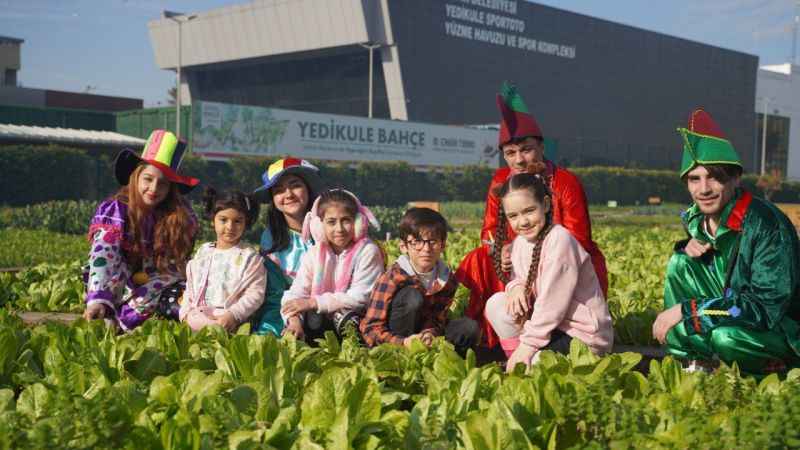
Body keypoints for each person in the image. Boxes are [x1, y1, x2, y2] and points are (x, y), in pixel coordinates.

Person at [456, 83, 608, 348]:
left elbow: (579, 239)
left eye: (526, 149)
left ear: (541, 146)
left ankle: (542, 336)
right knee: (480, 257)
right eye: (510, 153)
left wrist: (536, 255)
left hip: (560, 259)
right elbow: (489, 229)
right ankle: (494, 335)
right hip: (516, 263)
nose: (519, 160)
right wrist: (501, 249)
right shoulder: (499, 180)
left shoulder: (565, 182)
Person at [652, 108, 800, 376]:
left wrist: (689, 311)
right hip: (729, 312)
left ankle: (775, 371)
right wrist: (686, 246)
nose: (704, 189)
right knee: (680, 263)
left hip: (779, 329)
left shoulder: (766, 225)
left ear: (735, 178)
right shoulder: (698, 218)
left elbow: (764, 310)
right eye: (695, 179)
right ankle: (697, 364)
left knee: (725, 339)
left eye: (714, 177)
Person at [484, 173, 613, 372]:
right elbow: (519, 278)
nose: (523, 221)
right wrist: (516, 287)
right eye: (513, 216)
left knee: (538, 364)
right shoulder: (520, 243)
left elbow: (552, 304)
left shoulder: (560, 240)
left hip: (582, 336)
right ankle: (518, 360)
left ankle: (523, 359)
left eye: (529, 211)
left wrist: (527, 346)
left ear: (545, 205)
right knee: (496, 304)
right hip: (551, 328)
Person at [82, 129, 199, 331]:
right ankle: (107, 311)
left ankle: (124, 321)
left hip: (157, 283)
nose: (154, 188)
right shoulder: (117, 209)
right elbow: (104, 254)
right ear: (136, 177)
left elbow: (176, 262)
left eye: (163, 184)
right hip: (117, 283)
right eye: (148, 179)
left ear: (171, 188)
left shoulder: (179, 216)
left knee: (180, 292)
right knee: (114, 269)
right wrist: (97, 299)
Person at [360, 208, 479, 354]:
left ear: (442, 245)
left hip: (425, 340)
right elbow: (370, 328)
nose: (426, 248)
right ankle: (400, 358)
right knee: (412, 297)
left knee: (468, 327)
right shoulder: (392, 278)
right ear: (404, 247)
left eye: (433, 241)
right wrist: (403, 342)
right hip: (395, 342)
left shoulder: (447, 280)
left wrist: (430, 333)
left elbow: (437, 319)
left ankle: (445, 363)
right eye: (417, 242)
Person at [281, 189, 384, 341]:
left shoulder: (368, 251)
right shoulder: (314, 253)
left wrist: (313, 302)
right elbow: (296, 292)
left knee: (345, 317)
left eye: (346, 220)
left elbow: (359, 298)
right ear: (319, 226)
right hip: (321, 320)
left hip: (358, 319)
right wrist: (294, 319)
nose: (339, 229)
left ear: (358, 223)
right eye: (331, 222)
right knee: (297, 325)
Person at [251, 157, 322, 336]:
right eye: (279, 190)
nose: (288, 194)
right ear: (273, 199)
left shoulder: (328, 228)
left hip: (325, 307)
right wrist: (292, 317)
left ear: (308, 188)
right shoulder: (271, 238)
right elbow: (275, 293)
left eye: (295, 185)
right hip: (285, 310)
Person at [180, 188, 266, 332]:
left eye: (237, 221)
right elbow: (191, 286)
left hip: (230, 320)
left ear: (246, 223)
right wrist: (185, 312)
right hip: (198, 315)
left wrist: (233, 315)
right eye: (223, 220)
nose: (230, 227)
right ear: (213, 220)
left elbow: (255, 293)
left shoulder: (249, 257)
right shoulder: (204, 251)